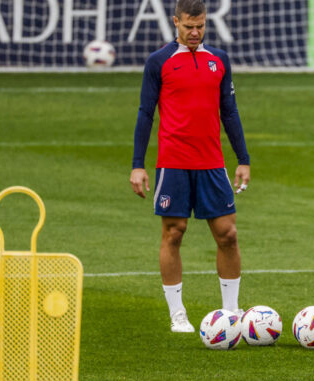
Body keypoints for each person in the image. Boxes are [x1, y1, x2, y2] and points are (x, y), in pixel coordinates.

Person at [130, 0, 250, 333]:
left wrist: (243, 159)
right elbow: (145, 113)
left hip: (212, 162)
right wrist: (138, 165)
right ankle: (177, 313)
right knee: (174, 232)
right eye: (188, 27)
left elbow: (230, 112)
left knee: (228, 234)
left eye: (200, 26)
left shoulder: (219, 60)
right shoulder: (159, 62)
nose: (195, 32)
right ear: (176, 23)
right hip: (174, 162)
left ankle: (231, 312)